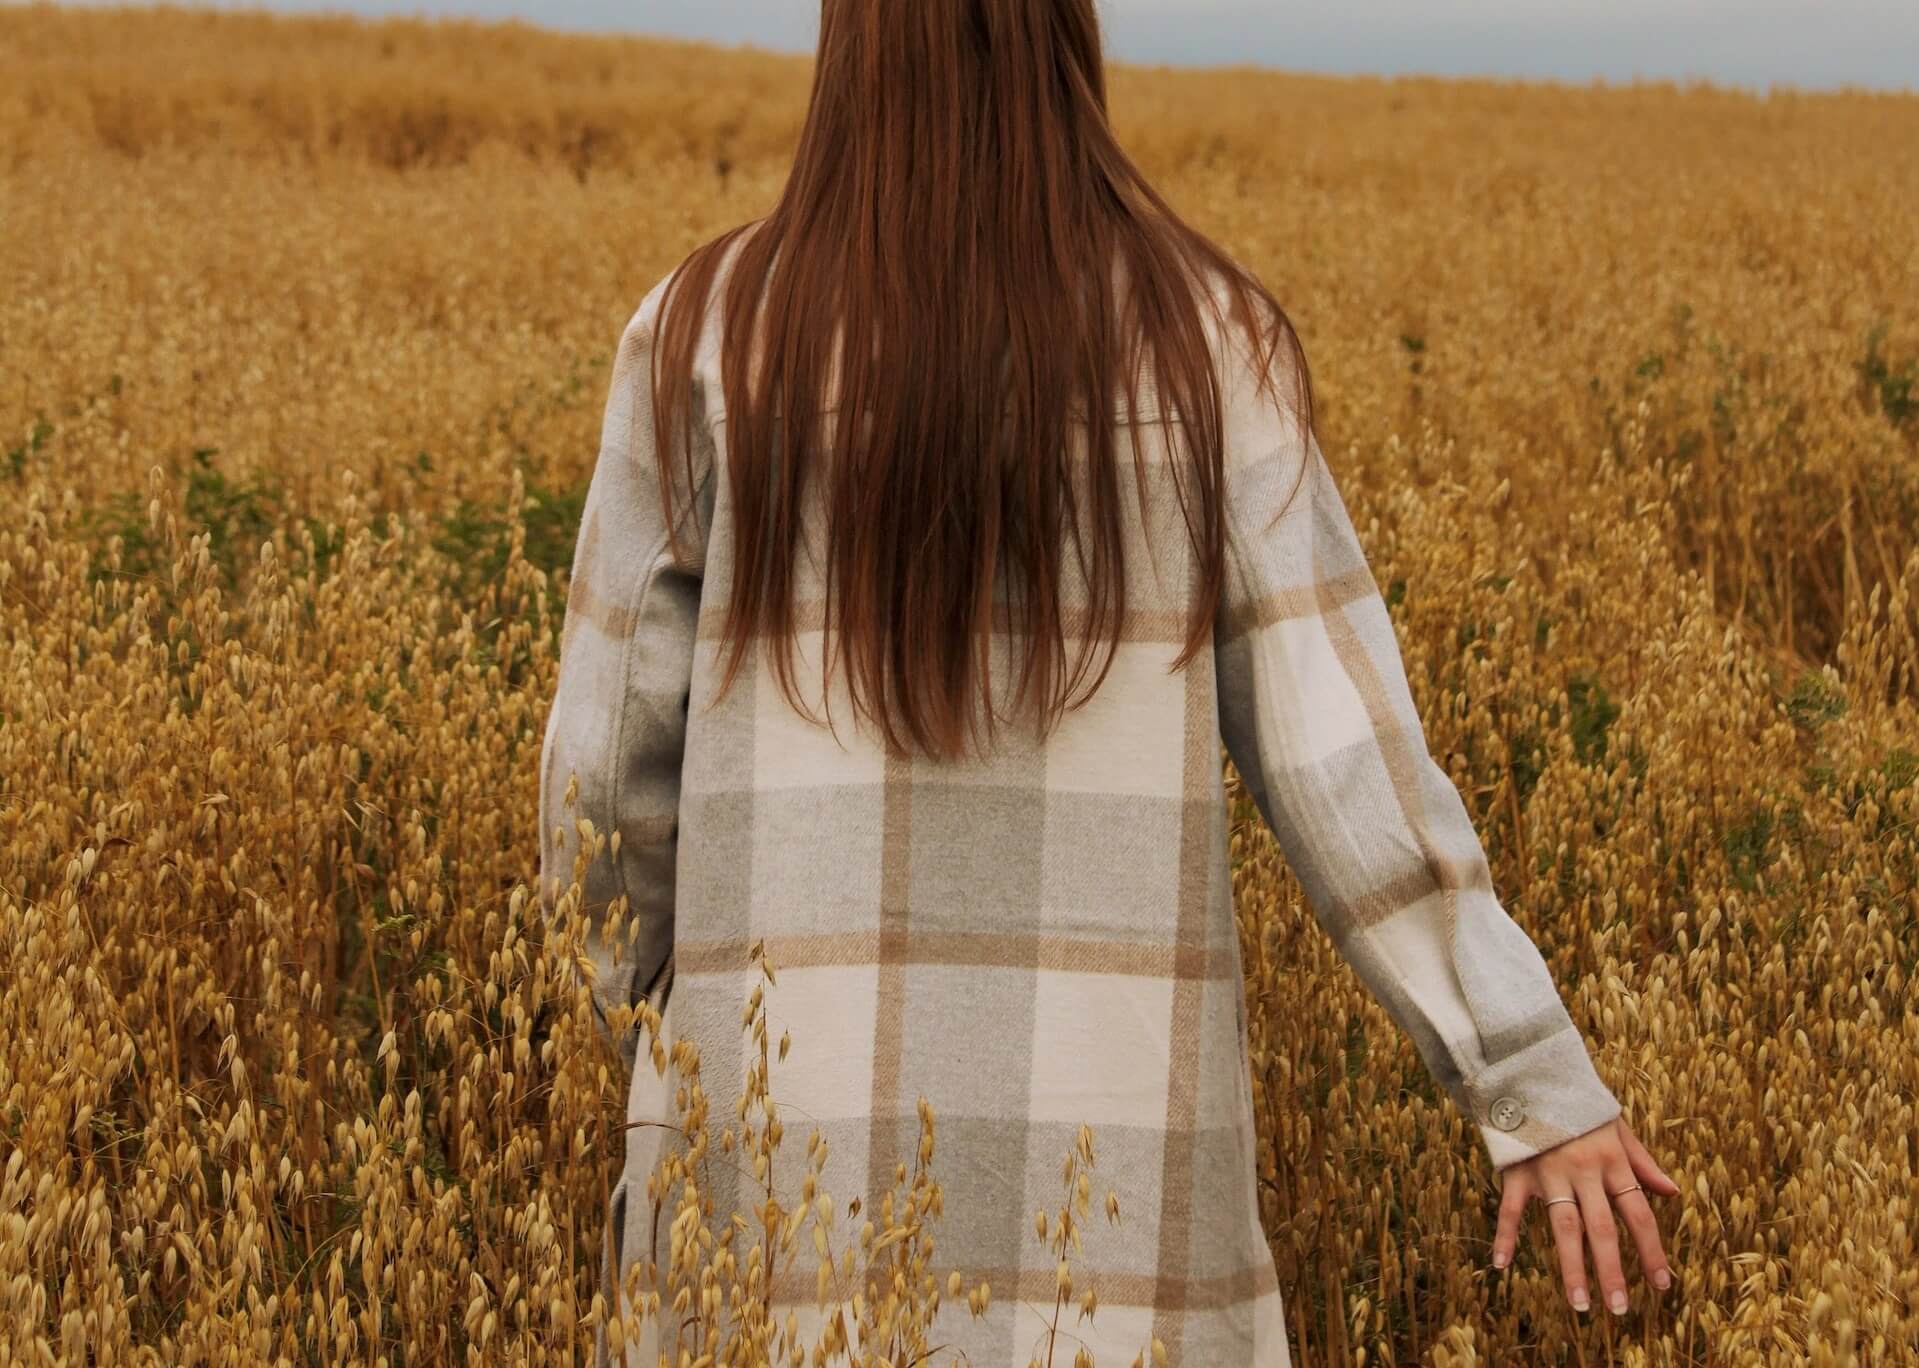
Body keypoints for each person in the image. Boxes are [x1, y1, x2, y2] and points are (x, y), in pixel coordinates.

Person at [537, 2, 1678, 1363]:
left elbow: (604, 781)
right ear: (1065, 41)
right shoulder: (1212, 346)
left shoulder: (704, 340)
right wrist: (1526, 1072)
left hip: (776, 1165)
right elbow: (1343, 759)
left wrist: (656, 1039)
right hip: (1120, 1186)